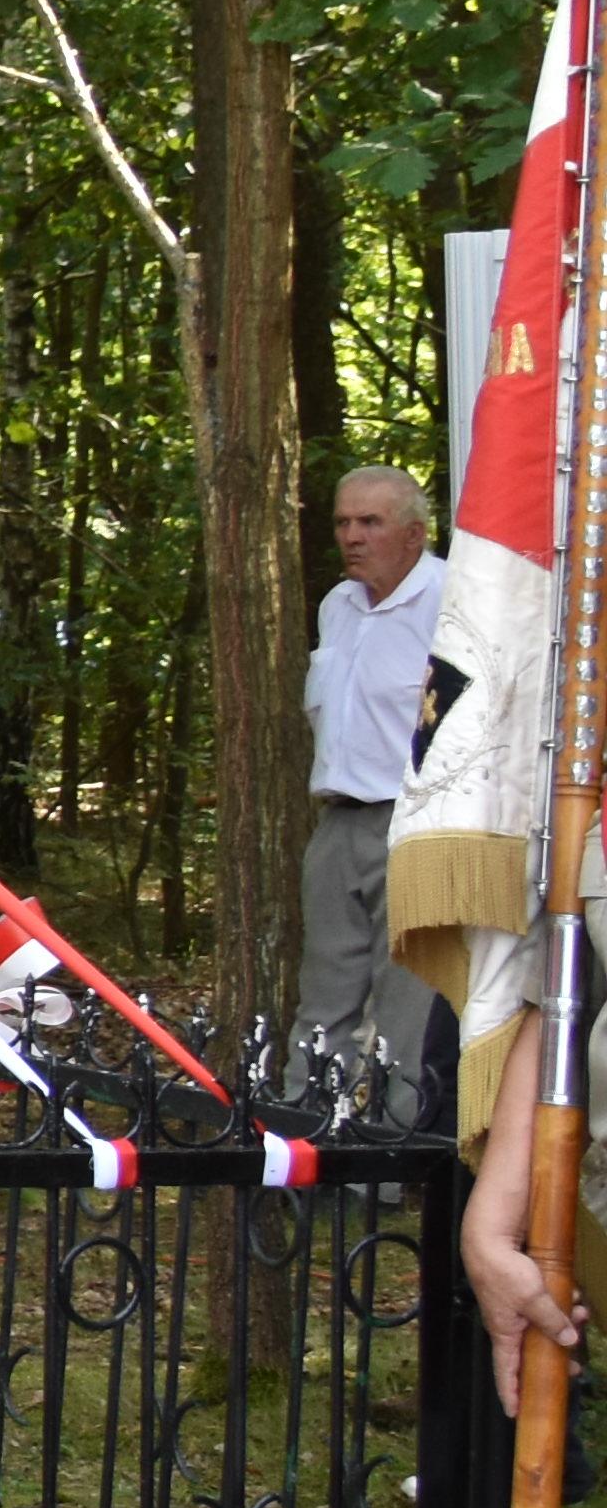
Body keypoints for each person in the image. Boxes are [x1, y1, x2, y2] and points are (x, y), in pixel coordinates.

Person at [303, 464, 449, 1086]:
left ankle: (399, 1142)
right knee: (322, 996)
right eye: (343, 522)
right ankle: (305, 1134)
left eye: (370, 522)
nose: (352, 536)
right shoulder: (337, 605)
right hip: (337, 822)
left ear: (414, 534)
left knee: (407, 1009)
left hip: (413, 820)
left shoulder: (450, 600)